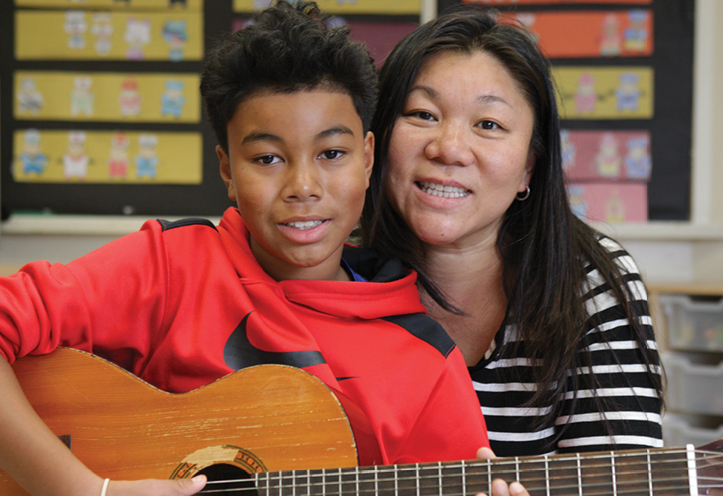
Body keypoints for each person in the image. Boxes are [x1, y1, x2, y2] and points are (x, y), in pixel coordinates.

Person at [0, 3, 489, 496]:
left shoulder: (426, 363)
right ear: (228, 170)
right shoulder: (172, 267)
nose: (302, 186)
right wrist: (83, 488)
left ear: (366, 159)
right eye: (267, 158)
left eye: (332, 154)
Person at [361, 7, 663, 460]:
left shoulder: (588, 284)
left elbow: (626, 478)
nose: (448, 148)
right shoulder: (333, 269)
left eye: (488, 125)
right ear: (377, 139)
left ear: (528, 167)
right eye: (423, 114)